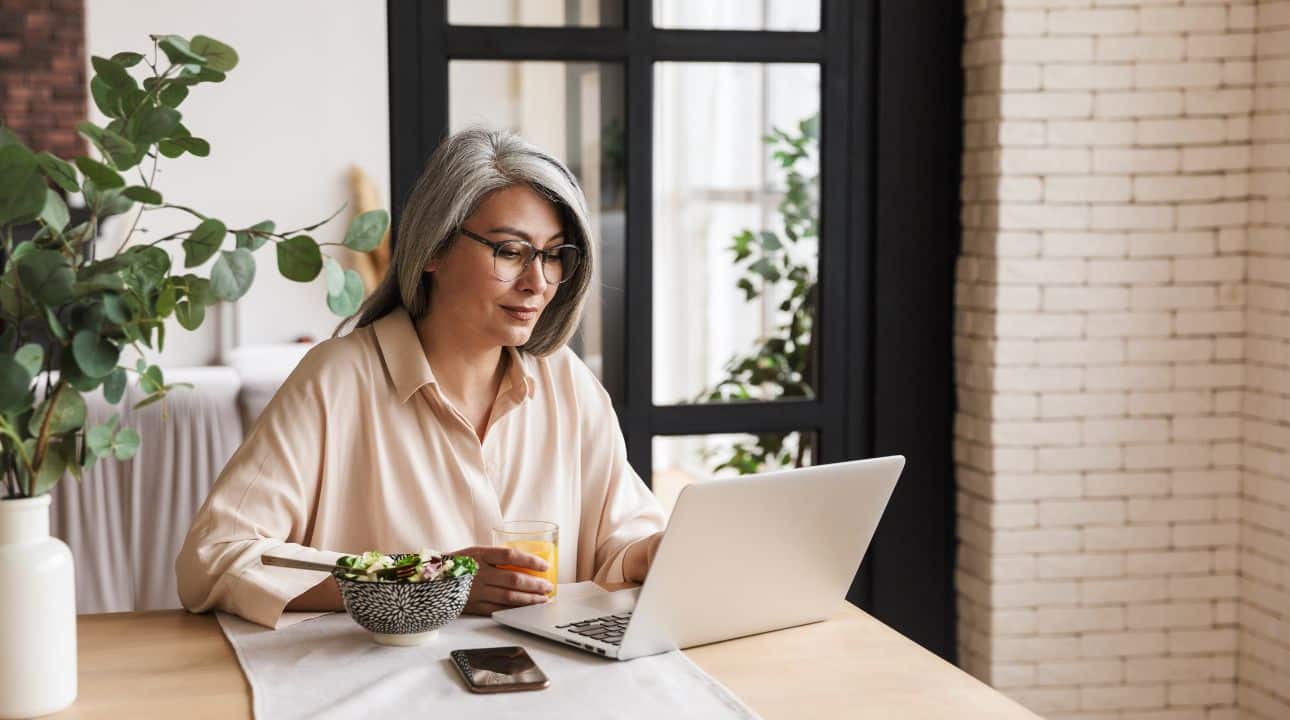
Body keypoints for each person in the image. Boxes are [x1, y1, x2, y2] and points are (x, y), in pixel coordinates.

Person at [175, 128, 666, 629]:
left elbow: (620, 540)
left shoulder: (568, 383)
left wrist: (649, 553)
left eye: (554, 254)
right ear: (435, 248)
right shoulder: (336, 380)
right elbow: (215, 558)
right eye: (511, 251)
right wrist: (421, 583)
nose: (537, 282)